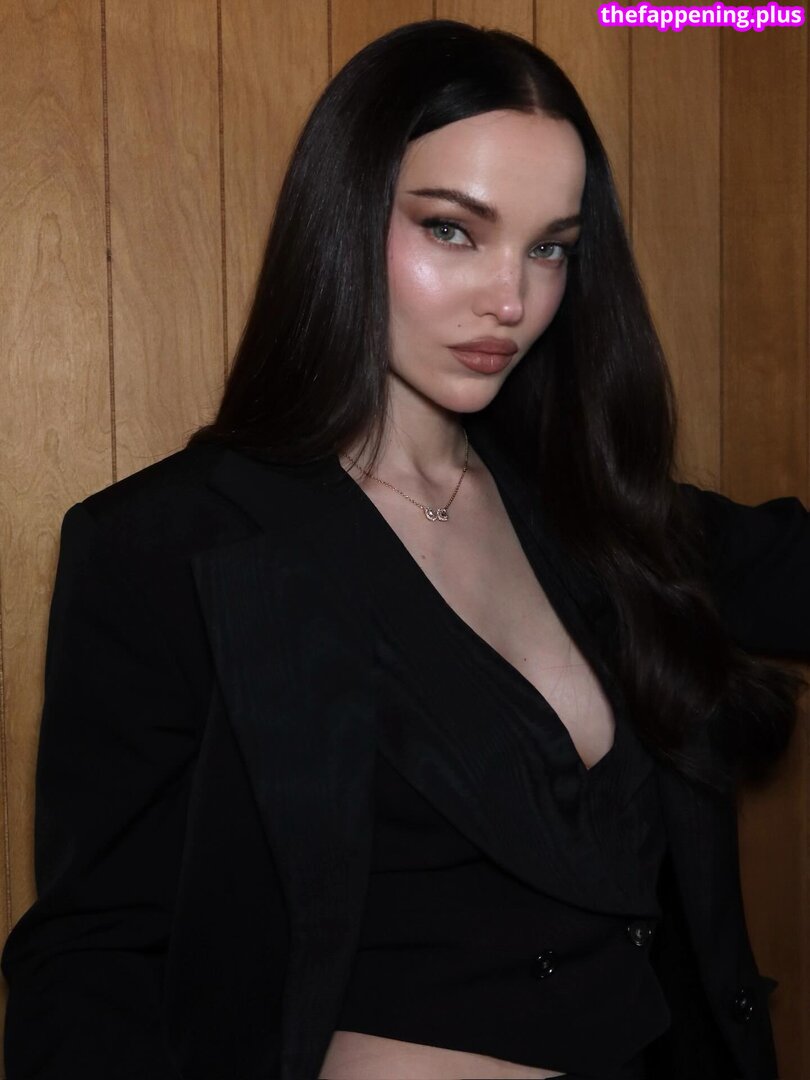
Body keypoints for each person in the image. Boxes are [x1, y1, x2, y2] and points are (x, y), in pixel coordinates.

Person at [2, 18, 807, 1080]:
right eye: (454, 230)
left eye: (550, 248)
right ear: (344, 219)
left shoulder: (593, 511)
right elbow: (93, 961)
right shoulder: (171, 544)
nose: (511, 299)